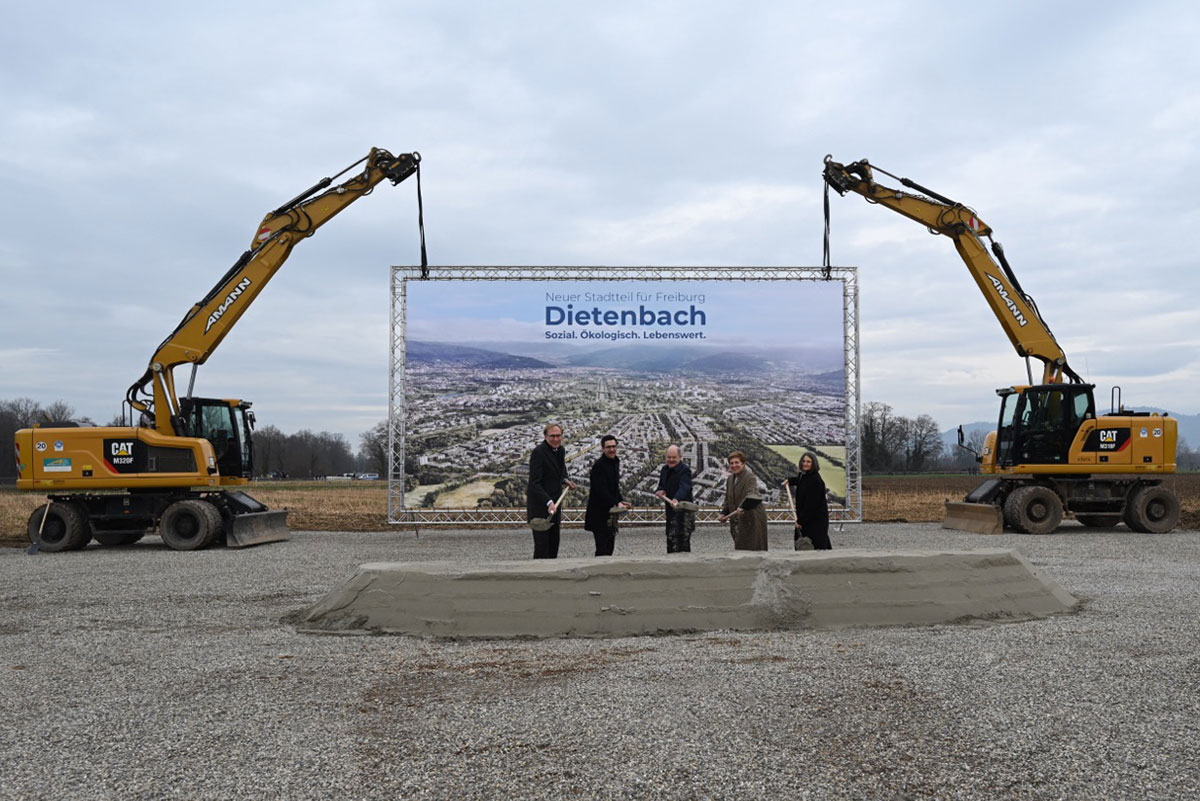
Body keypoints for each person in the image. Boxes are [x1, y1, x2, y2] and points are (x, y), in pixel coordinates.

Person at [526, 422, 576, 559]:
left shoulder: (560, 450)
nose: (556, 439)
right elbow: (534, 484)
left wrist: (566, 480)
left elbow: (561, 471)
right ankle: (539, 577)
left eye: (558, 436)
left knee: (554, 544)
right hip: (541, 507)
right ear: (545, 437)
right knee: (542, 547)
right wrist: (548, 502)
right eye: (552, 436)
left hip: (555, 505)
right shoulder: (538, 453)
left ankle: (552, 575)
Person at [584, 435, 631, 556]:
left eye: (614, 446)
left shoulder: (615, 462)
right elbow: (601, 491)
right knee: (602, 549)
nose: (611, 449)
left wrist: (620, 500)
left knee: (609, 548)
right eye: (608, 447)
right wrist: (617, 503)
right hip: (599, 515)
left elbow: (614, 488)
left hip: (610, 514)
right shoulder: (599, 466)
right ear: (603, 449)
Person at [719, 451, 768, 551]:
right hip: (738, 518)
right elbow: (728, 498)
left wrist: (742, 506)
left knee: (753, 548)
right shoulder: (730, 479)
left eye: (737, 462)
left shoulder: (750, 477)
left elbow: (752, 494)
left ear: (743, 464)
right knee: (741, 546)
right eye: (731, 463)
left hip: (752, 517)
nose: (734, 465)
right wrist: (724, 513)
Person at [783, 452, 832, 550]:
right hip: (806, 518)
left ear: (814, 464)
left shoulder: (815, 481)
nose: (805, 463)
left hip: (815, 520)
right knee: (803, 544)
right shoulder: (804, 476)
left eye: (809, 462)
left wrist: (801, 520)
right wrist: (790, 481)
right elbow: (800, 481)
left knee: (814, 545)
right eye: (804, 461)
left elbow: (811, 505)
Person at [654, 444, 695, 553]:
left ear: (680, 457)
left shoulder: (685, 470)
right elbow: (661, 485)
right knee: (671, 540)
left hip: (683, 513)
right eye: (669, 457)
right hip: (671, 511)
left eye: (674, 457)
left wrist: (676, 499)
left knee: (682, 543)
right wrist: (661, 490)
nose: (671, 460)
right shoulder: (664, 469)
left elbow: (685, 486)